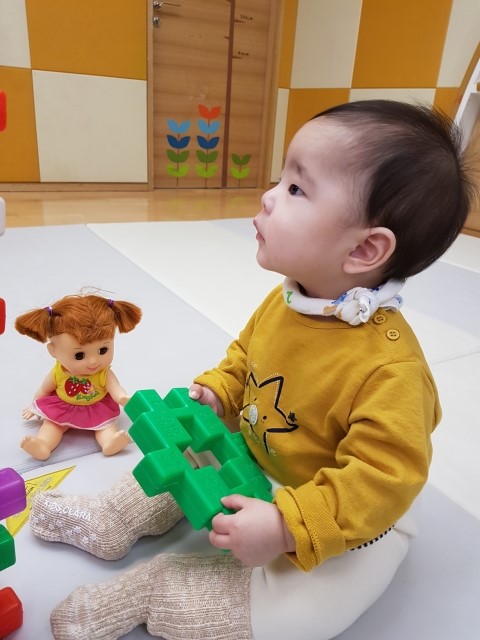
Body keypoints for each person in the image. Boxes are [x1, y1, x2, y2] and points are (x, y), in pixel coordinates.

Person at [29, 100, 473, 639]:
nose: (268, 195)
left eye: (296, 188)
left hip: (343, 519)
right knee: (180, 459)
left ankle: (158, 589)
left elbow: (382, 482)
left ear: (365, 249)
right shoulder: (289, 301)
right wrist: (219, 393)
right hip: (254, 456)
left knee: (295, 618)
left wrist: (287, 525)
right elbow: (246, 357)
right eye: (281, 178)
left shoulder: (392, 371)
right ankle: (114, 516)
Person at [15, 292, 142, 460]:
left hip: (96, 408)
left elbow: (116, 389)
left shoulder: (104, 373)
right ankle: (43, 445)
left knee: (105, 427)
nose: (93, 361)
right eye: (79, 355)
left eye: (103, 350)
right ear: (53, 351)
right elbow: (44, 389)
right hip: (63, 407)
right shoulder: (58, 372)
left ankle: (110, 442)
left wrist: (123, 398)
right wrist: (34, 406)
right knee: (52, 425)